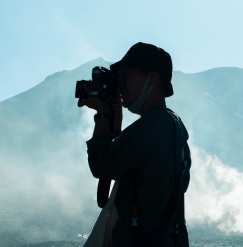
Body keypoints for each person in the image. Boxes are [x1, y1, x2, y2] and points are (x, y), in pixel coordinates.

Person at [78, 42, 191, 247]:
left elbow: (101, 165)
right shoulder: (174, 125)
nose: (120, 84)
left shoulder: (154, 124)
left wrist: (103, 114)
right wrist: (115, 122)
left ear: (153, 77)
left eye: (126, 74)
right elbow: (106, 198)